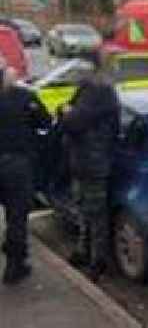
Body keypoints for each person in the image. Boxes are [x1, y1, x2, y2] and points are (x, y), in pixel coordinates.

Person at [60, 52, 120, 281]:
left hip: (94, 162)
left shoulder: (99, 92)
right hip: (83, 161)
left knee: (95, 214)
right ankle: (83, 252)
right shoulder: (90, 89)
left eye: (78, 69)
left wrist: (66, 112)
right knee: (83, 209)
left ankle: (98, 261)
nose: (74, 73)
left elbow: (74, 121)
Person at [0, 58, 52, 285]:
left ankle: (12, 250)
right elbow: (45, 122)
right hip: (16, 166)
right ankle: (14, 266)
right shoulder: (24, 97)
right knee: (17, 217)